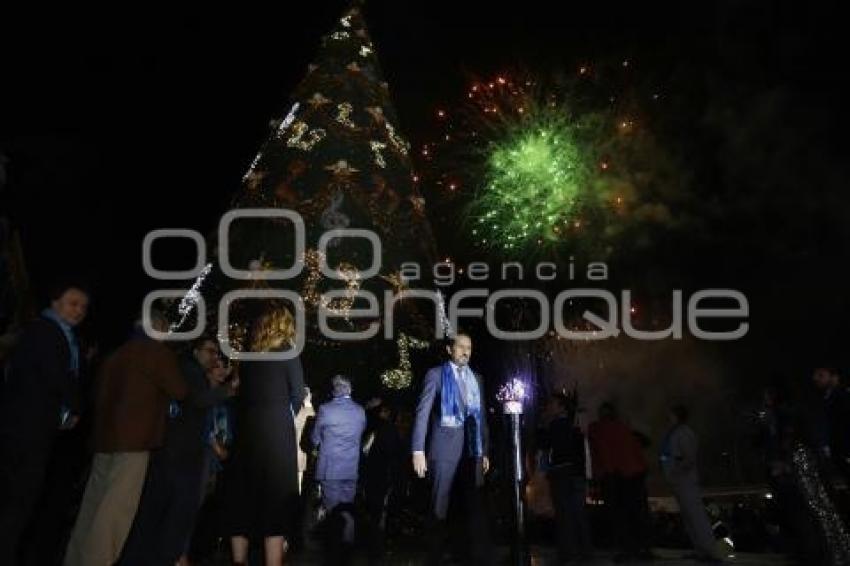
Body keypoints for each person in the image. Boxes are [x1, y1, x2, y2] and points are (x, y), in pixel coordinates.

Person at [63, 305, 188, 566]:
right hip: (134, 441)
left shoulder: (116, 354)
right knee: (115, 510)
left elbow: (98, 393)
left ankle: (74, 559)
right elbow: (180, 390)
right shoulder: (156, 353)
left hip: (103, 439)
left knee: (92, 505)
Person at [119, 338, 237, 566]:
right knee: (171, 513)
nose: (214, 357)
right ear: (196, 351)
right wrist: (228, 390)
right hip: (178, 455)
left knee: (168, 512)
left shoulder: (193, 374)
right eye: (209, 351)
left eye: (217, 353)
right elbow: (197, 402)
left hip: (180, 455)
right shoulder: (190, 372)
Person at [0, 283, 89, 566]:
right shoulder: (47, 332)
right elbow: (56, 377)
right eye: (73, 303)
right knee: (18, 501)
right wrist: (75, 406)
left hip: (31, 428)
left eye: (83, 307)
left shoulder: (59, 335)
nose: (79, 311)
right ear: (55, 302)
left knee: (20, 500)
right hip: (24, 431)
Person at [224, 306, 305, 566]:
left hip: (248, 430)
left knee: (243, 494)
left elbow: (240, 394)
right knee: (276, 499)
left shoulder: (247, 357)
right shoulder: (288, 352)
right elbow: (297, 394)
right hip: (276, 431)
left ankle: (239, 561)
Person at [411, 332, 490, 565]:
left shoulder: (477, 378)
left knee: (468, 508)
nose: (466, 351)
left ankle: (464, 556)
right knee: (439, 509)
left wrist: (485, 450)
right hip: (443, 451)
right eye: (461, 347)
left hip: (471, 452)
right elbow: (422, 412)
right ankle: (434, 558)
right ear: (449, 349)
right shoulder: (435, 375)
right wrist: (418, 450)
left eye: (469, 348)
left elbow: (481, 417)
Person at [587, 401, 653, 562]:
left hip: (616, 475)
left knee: (619, 514)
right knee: (637, 511)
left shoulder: (598, 429)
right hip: (634, 474)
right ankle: (643, 548)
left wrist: (598, 477)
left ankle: (627, 549)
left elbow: (601, 455)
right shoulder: (624, 428)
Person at [660, 404, 722, 562]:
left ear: (677, 416)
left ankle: (711, 551)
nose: (668, 417)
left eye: (670, 414)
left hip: (685, 479)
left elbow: (689, 457)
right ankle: (701, 550)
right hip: (678, 480)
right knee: (689, 518)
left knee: (696, 516)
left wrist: (676, 470)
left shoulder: (684, 433)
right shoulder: (673, 434)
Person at [538, 389, 592, 563]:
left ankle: (568, 555)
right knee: (579, 514)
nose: (549, 406)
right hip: (576, 473)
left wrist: (542, 426)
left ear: (562, 408)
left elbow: (545, 445)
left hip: (562, 473)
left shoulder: (556, 425)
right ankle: (585, 554)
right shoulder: (575, 426)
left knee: (564, 515)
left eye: (553, 404)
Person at [312, 375, 366, 513]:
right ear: (350, 389)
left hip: (331, 470)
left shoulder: (325, 409)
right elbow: (360, 433)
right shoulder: (360, 411)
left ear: (334, 390)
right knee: (347, 512)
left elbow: (314, 439)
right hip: (351, 469)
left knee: (332, 514)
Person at [812, 367, 850, 487]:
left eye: (821, 375)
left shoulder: (842, 396)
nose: (816, 379)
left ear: (834, 377)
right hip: (836, 446)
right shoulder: (826, 397)